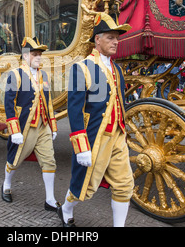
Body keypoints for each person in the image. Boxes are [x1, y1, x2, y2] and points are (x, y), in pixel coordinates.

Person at [57, 12, 134, 227]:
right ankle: (66, 208)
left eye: (117, 38)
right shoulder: (81, 68)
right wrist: (81, 146)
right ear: (97, 39)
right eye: (110, 37)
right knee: (85, 186)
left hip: (117, 136)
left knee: (124, 184)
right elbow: (74, 109)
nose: (116, 41)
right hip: (95, 137)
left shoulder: (117, 69)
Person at [2, 36, 59, 211]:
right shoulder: (15, 74)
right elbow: (9, 104)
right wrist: (15, 130)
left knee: (49, 161)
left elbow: (48, 102)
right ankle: (6, 185)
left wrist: (53, 125)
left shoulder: (44, 75)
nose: (39, 57)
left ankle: (50, 199)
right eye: (35, 54)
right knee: (15, 160)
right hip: (24, 126)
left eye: (40, 54)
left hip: (43, 125)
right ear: (26, 56)